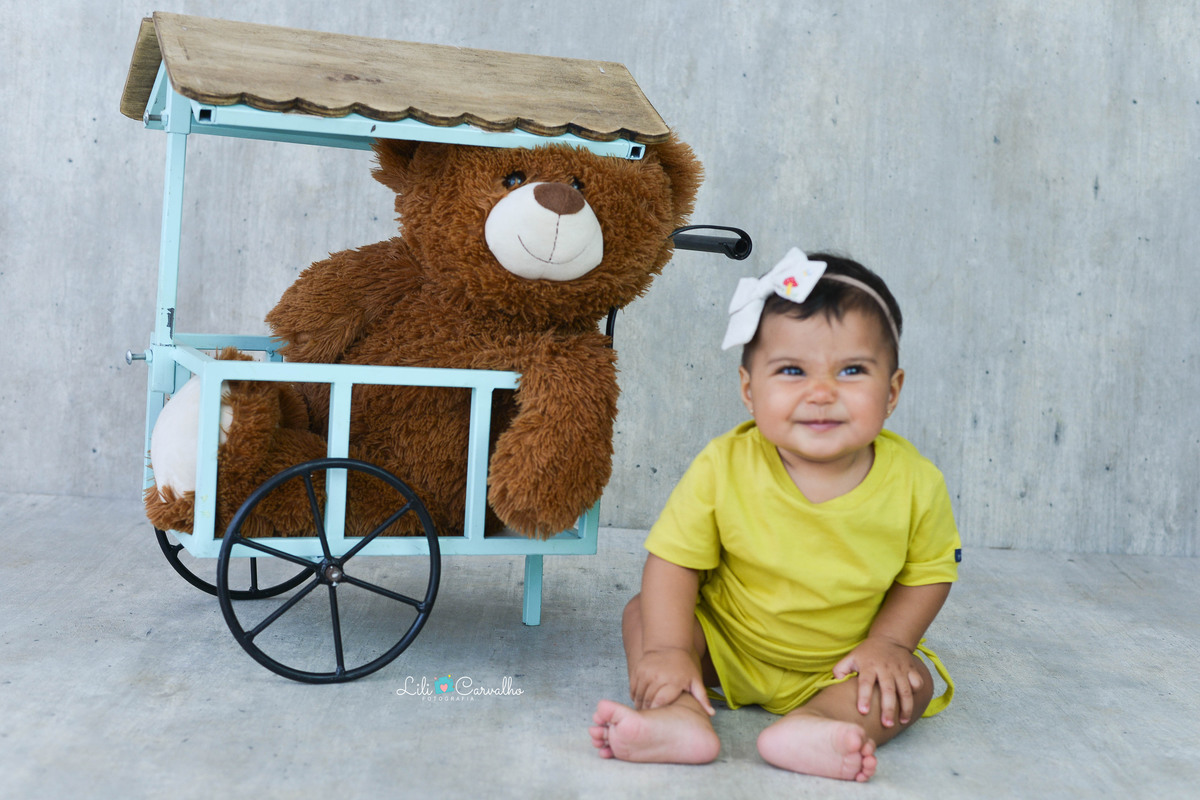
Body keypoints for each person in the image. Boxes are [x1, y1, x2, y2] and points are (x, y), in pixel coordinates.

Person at [589, 248, 961, 782]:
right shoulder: (723, 465)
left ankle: (820, 724)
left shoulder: (916, 483)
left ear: (892, 391)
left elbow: (928, 574)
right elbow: (674, 562)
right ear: (749, 390)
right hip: (725, 645)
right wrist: (671, 649)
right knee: (645, 616)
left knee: (911, 681)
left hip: (843, 660)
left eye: (852, 370)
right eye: (791, 370)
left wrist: (889, 643)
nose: (821, 393)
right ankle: (679, 712)